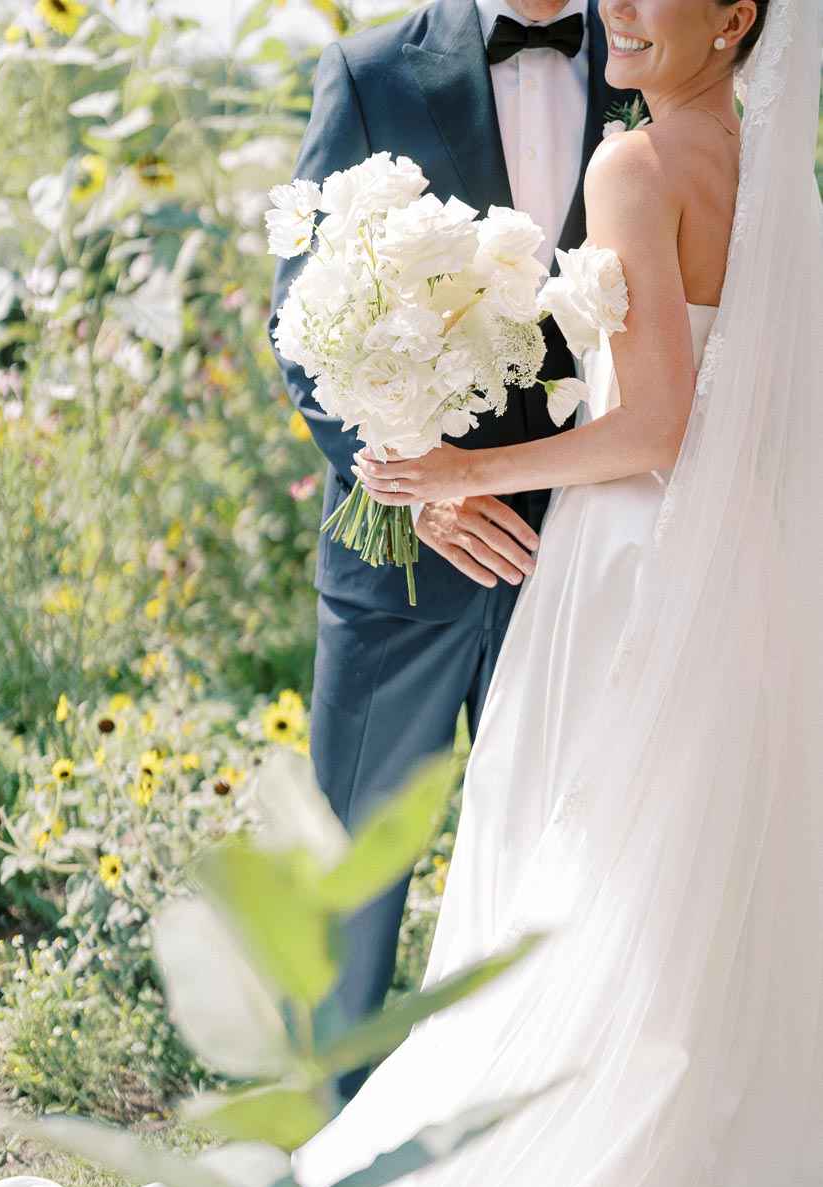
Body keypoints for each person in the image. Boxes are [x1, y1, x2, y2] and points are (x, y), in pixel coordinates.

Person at [0, 0, 821, 1187]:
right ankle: (601, 1164)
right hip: (670, 572)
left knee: (589, 877)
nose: (622, 8)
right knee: (660, 868)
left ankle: (560, 1178)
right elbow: (308, 318)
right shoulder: (758, 159)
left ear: (737, 17)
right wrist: (406, 470)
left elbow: (656, 417)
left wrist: (467, 466)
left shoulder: (632, 148)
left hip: (614, 561)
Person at [270, 0, 636, 1100]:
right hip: (400, 563)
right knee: (354, 872)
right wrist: (413, 484)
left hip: (587, 553)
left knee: (572, 863)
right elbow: (305, 327)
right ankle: (322, 1149)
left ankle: (536, 1133)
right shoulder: (370, 70)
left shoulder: (651, 54)